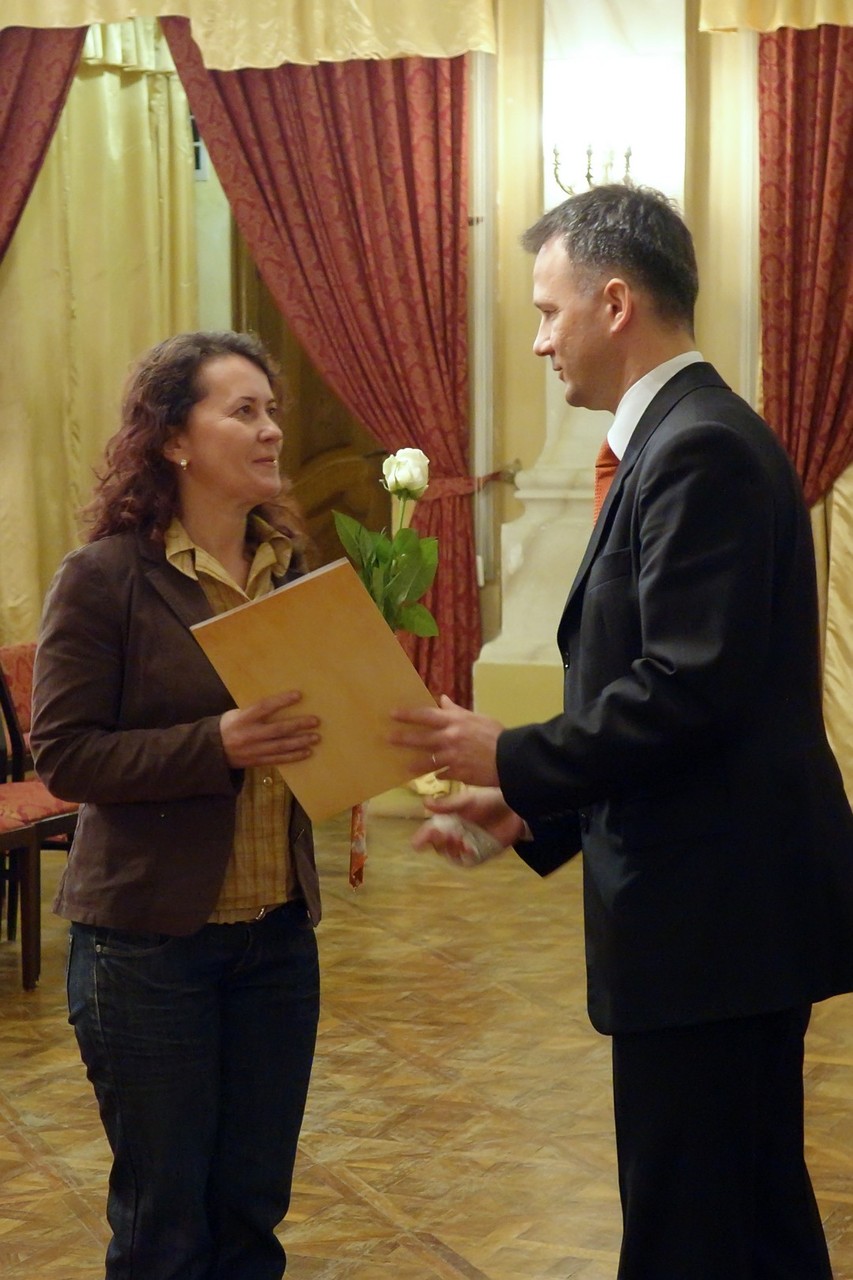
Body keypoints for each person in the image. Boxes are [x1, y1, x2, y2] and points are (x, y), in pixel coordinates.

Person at [389, 184, 853, 1278]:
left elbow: (685, 690)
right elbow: (680, 704)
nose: (539, 341)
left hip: (712, 925)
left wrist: (511, 753)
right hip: (716, 921)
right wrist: (529, 808)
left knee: (695, 1230)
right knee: (747, 1221)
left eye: (547, 312)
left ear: (613, 302)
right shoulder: (686, 439)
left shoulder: (700, 448)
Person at [31, 331, 324, 1280]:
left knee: (250, 1213)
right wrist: (217, 744)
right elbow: (64, 756)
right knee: (165, 1227)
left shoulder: (295, 569)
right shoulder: (105, 577)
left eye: (272, 411)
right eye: (243, 411)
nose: (271, 429)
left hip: (278, 939)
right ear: (172, 440)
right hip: (147, 948)